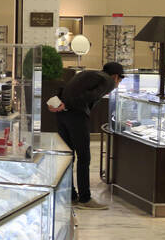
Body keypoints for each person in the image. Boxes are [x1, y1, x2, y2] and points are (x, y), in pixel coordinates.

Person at [53, 61, 125, 210]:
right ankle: (85, 198)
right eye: (120, 79)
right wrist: (69, 105)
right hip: (76, 116)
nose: (118, 83)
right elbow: (88, 96)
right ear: (116, 76)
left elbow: (65, 89)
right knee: (84, 157)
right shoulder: (108, 81)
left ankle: (70, 195)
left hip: (62, 116)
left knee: (69, 156)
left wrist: (60, 103)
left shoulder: (88, 74)